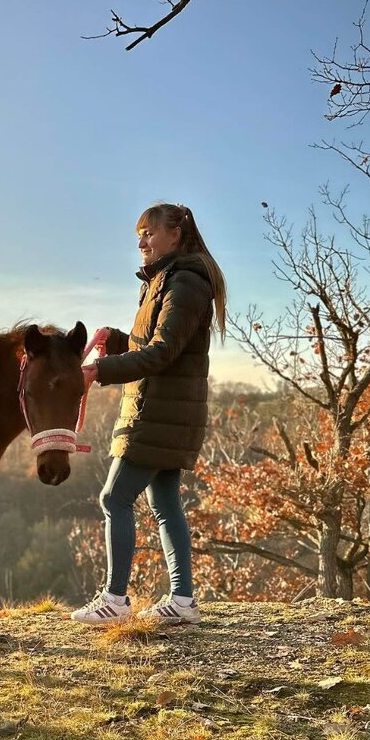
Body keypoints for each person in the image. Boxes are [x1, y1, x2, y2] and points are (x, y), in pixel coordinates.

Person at [71, 202, 227, 626]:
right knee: (163, 502)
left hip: (158, 411)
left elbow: (162, 353)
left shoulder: (185, 281)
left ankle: (116, 600)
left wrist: (97, 371)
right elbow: (153, 345)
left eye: (149, 233)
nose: (142, 241)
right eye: (139, 234)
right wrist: (116, 339)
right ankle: (182, 601)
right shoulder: (166, 279)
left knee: (114, 497)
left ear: (174, 236)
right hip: (165, 411)